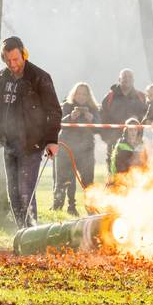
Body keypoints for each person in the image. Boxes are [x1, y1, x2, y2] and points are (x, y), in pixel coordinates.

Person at [0, 36, 62, 229]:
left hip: (32, 144)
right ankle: (22, 232)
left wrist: (52, 140)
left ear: (24, 54)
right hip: (9, 144)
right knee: (13, 193)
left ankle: (31, 234)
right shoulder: (2, 77)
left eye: (16, 59)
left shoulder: (39, 77)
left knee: (25, 192)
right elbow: (0, 107)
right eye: (8, 60)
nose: (12, 64)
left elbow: (54, 110)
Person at [52, 82, 100, 216]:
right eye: (79, 93)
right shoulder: (66, 105)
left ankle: (91, 208)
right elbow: (58, 124)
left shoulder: (93, 108)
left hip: (86, 150)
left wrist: (92, 119)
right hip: (66, 148)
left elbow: (99, 128)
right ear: (74, 94)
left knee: (88, 180)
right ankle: (62, 206)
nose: (81, 96)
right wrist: (71, 117)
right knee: (64, 180)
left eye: (84, 93)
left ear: (88, 96)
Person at [100, 69, 147, 171]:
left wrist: (139, 135)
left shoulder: (141, 97)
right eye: (124, 77)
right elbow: (102, 118)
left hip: (135, 142)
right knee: (114, 171)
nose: (127, 79)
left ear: (133, 80)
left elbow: (146, 117)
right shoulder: (110, 97)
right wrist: (107, 138)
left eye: (129, 77)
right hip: (114, 141)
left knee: (137, 171)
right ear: (119, 79)